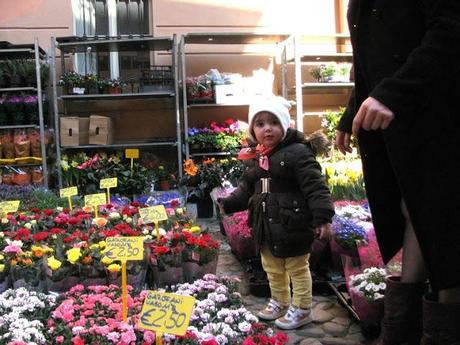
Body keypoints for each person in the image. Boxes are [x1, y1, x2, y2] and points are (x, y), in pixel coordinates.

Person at [336, 1, 460, 344]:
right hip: (407, 126)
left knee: (445, 233)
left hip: (442, 121)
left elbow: (450, 31)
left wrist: (394, 94)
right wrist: (352, 112)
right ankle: (401, 328)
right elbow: (368, 61)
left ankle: (438, 332)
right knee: (415, 211)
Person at [218, 95, 334, 330]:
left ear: (284, 125)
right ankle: (280, 301)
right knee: (271, 266)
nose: (267, 129)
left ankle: (302, 309)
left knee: (297, 268)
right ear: (253, 129)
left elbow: (315, 185)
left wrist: (322, 217)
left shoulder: (298, 152)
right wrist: (228, 204)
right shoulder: (257, 156)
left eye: (273, 122)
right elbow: (247, 188)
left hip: (293, 223)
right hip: (266, 224)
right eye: (260, 124)